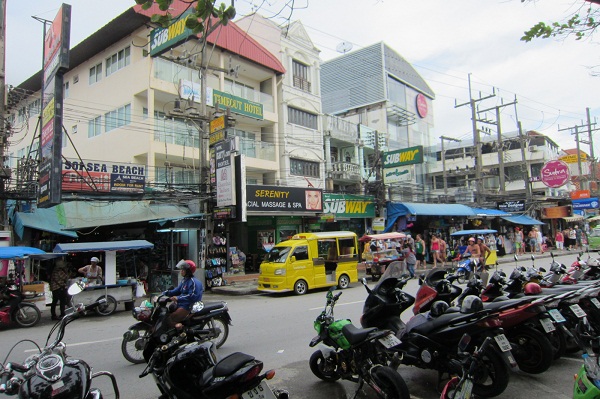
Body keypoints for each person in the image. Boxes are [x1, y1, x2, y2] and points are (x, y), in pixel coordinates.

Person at [163, 260, 204, 327]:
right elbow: (177, 290)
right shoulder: (184, 280)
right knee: (168, 311)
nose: (181, 271)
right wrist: (166, 293)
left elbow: (192, 296)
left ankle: (181, 331)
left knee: (170, 318)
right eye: (181, 269)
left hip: (188, 306)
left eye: (183, 269)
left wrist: (178, 298)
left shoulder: (194, 282)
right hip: (181, 304)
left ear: (188, 271)